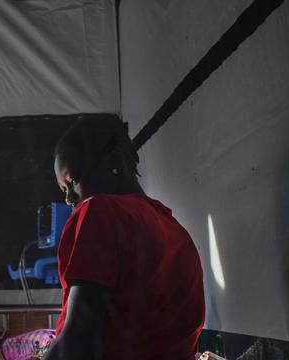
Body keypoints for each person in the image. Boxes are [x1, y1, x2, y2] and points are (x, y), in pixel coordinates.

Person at [42, 113, 205, 359]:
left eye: (73, 181)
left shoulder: (102, 212)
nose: (68, 198)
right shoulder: (176, 231)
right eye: (63, 190)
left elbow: (76, 344)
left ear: (114, 161)